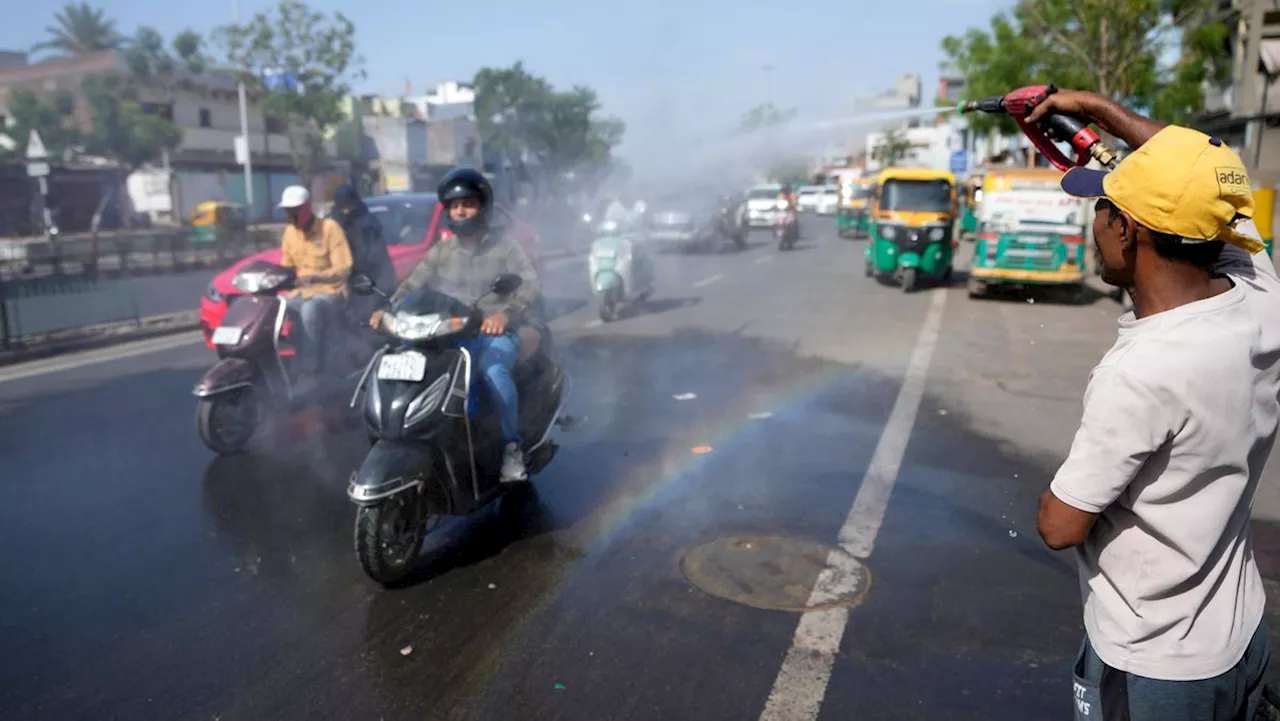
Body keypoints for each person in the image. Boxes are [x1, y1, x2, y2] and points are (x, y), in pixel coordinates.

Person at [1031, 89, 1278, 721]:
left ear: (1126, 229)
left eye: (1100, 208)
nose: (1093, 224)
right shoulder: (1258, 290)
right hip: (1242, 634)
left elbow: (1060, 527)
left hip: (1156, 667)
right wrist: (1092, 109)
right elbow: (1206, 171)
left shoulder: (1142, 373)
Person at [371, 168, 539, 482]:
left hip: (492, 331)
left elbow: (528, 284)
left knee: (492, 371)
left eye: (467, 204)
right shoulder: (442, 250)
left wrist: (505, 314)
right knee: (400, 363)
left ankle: (511, 447)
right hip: (446, 330)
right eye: (454, 206)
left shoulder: (505, 247)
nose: (460, 211)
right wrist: (388, 309)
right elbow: (413, 284)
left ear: (482, 208)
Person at [277, 185, 354, 394]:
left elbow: (344, 268)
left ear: (307, 207)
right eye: (288, 211)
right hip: (300, 293)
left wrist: (316, 277)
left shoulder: (329, 228)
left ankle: (309, 373)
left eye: (296, 210)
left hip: (330, 292)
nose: (291, 215)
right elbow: (286, 268)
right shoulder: (289, 233)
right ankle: (278, 369)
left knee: (309, 311)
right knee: (275, 309)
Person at [331, 183, 396, 318]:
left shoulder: (367, 224)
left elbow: (376, 257)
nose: (346, 211)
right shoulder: (332, 224)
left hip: (367, 280)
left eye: (349, 207)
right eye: (342, 208)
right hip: (339, 282)